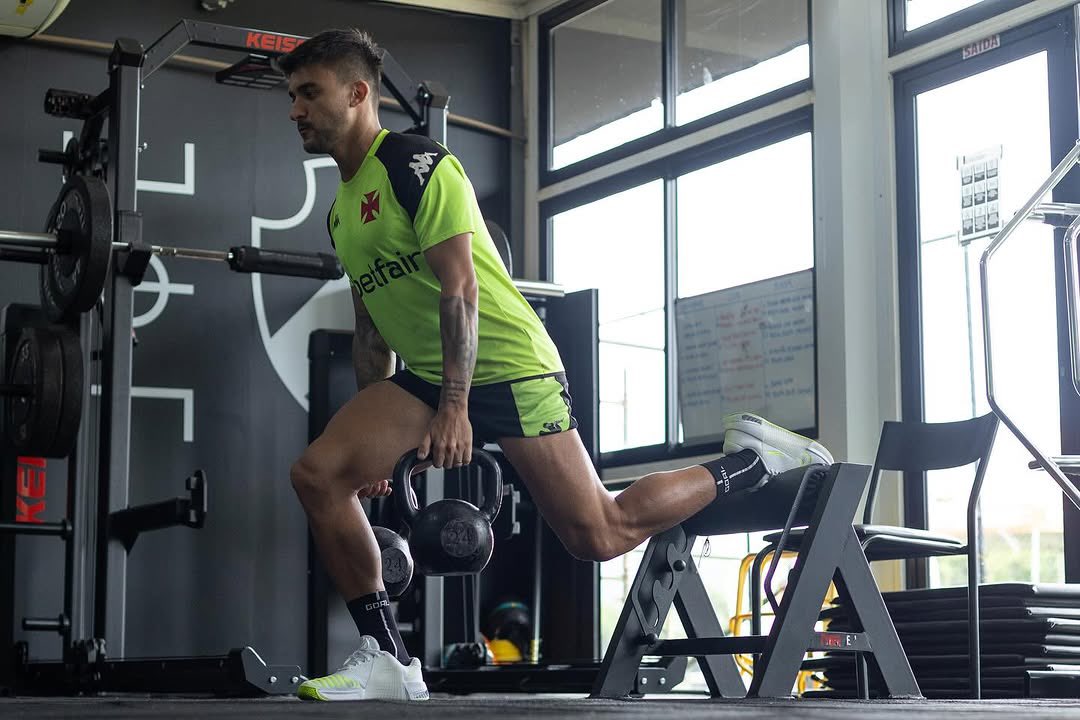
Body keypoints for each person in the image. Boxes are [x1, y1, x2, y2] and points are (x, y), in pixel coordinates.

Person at [279, 29, 834, 702]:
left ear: (357, 92)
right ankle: (390, 662)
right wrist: (377, 439)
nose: (296, 109)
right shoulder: (342, 210)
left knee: (598, 533)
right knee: (320, 475)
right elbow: (372, 325)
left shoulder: (417, 165)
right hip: (426, 371)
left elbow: (462, 288)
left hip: (508, 364)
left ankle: (750, 461)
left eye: (309, 93)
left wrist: (455, 405)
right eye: (292, 96)